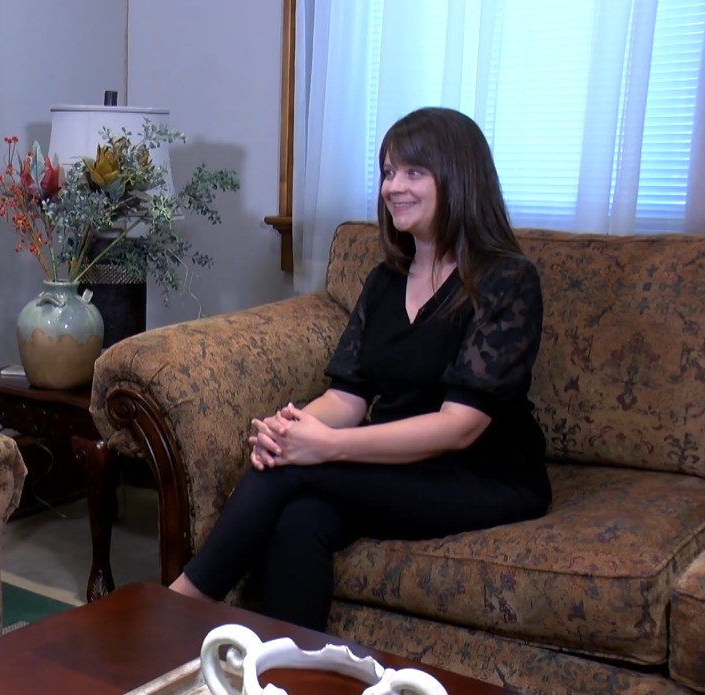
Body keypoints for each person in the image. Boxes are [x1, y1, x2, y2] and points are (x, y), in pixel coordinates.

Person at [168, 107, 552, 631]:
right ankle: (285, 679)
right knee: (300, 519)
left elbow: (459, 427)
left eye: (413, 172)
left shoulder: (507, 279)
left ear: (459, 178)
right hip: (400, 464)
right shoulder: (385, 280)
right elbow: (347, 399)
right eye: (389, 171)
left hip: (484, 474)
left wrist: (324, 448)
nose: (393, 186)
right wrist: (291, 430)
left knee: (292, 476)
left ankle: (175, 609)